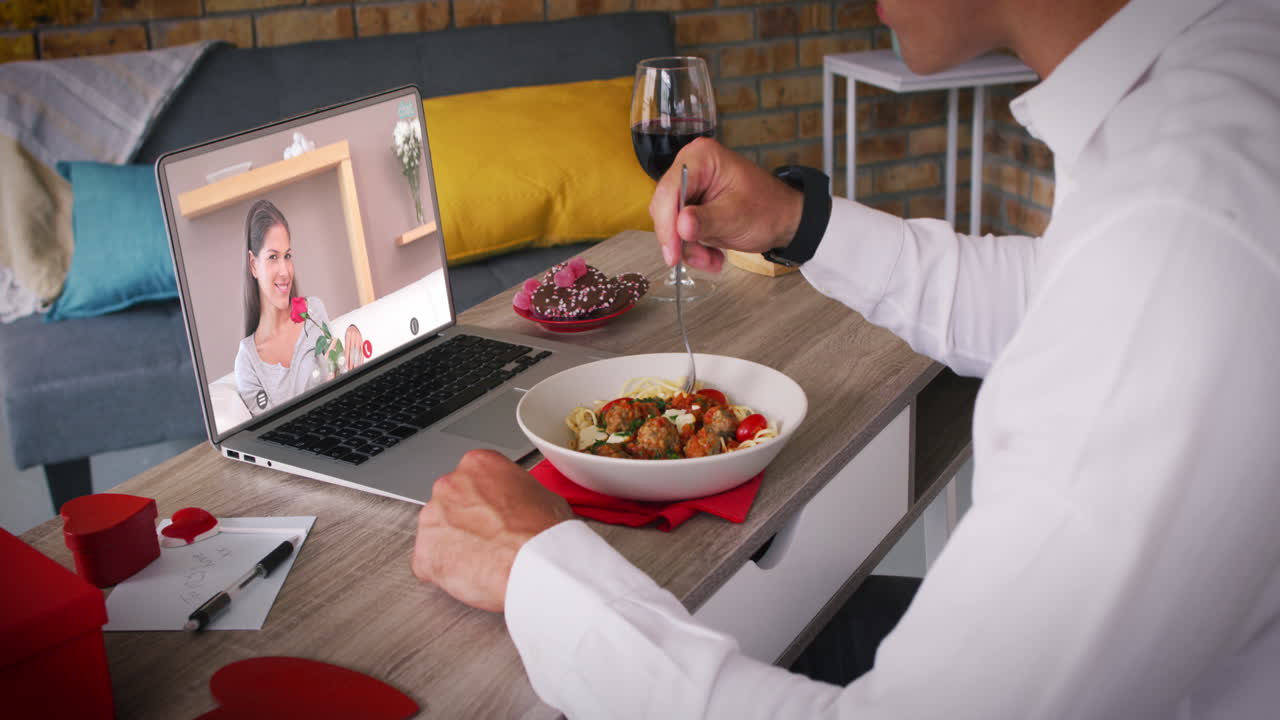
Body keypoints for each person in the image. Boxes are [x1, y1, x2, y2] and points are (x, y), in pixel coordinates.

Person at [411, 0, 1280, 716]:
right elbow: (1058, 301)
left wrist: (540, 571)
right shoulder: (1218, 92)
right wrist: (799, 222)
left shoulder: (1180, 229)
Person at [234, 199, 364, 416]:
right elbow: (272, 437)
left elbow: (344, 379)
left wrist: (354, 331)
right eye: (273, 257)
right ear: (253, 264)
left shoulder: (313, 310)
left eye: (288, 256)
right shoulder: (248, 363)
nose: (285, 271)